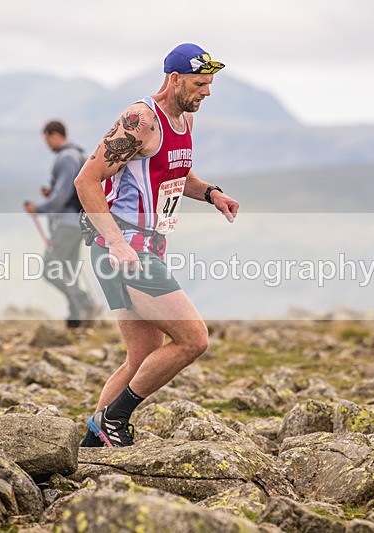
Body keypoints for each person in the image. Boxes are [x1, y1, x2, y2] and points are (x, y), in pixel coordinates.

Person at [74, 43, 239, 447]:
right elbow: (86, 181)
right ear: (175, 79)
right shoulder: (140, 120)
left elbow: (174, 172)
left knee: (143, 353)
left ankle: (96, 441)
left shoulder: (183, 121)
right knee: (193, 339)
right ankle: (114, 420)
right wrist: (117, 243)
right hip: (123, 248)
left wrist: (211, 193)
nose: (207, 92)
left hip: (146, 244)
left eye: (211, 84)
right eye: (200, 84)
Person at [24, 120, 99, 328]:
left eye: (47, 139)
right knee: (68, 268)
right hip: (79, 223)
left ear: (54, 135)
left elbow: (62, 195)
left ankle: (85, 303)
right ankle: (76, 318)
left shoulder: (66, 158)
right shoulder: (77, 155)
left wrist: (38, 209)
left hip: (68, 223)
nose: (47, 144)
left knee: (50, 268)